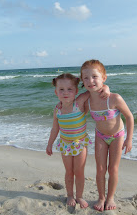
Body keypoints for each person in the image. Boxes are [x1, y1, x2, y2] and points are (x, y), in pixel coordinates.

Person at [46, 73, 110, 208]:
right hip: (65, 145)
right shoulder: (57, 110)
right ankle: (70, 194)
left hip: (80, 143)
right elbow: (55, 129)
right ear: (56, 92)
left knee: (79, 171)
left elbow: (93, 89)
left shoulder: (79, 102)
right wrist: (50, 143)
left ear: (76, 91)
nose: (65, 93)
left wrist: (106, 87)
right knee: (69, 171)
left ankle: (79, 196)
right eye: (61, 89)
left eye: (70, 89)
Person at [80, 59, 134, 211]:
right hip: (100, 136)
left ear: (104, 78)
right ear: (82, 81)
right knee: (100, 169)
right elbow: (73, 102)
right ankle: (101, 197)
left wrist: (129, 139)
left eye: (95, 76)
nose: (90, 81)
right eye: (86, 78)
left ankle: (110, 197)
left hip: (117, 136)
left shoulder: (114, 98)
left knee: (113, 169)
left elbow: (129, 117)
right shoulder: (87, 99)